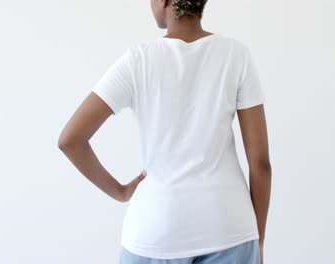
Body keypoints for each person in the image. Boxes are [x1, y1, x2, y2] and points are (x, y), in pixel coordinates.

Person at [58, 0, 272, 263]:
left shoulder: (137, 59)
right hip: (229, 228)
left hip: (155, 231)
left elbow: (70, 140)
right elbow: (260, 164)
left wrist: (121, 191)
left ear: (164, 1)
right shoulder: (236, 55)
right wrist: (258, 239)